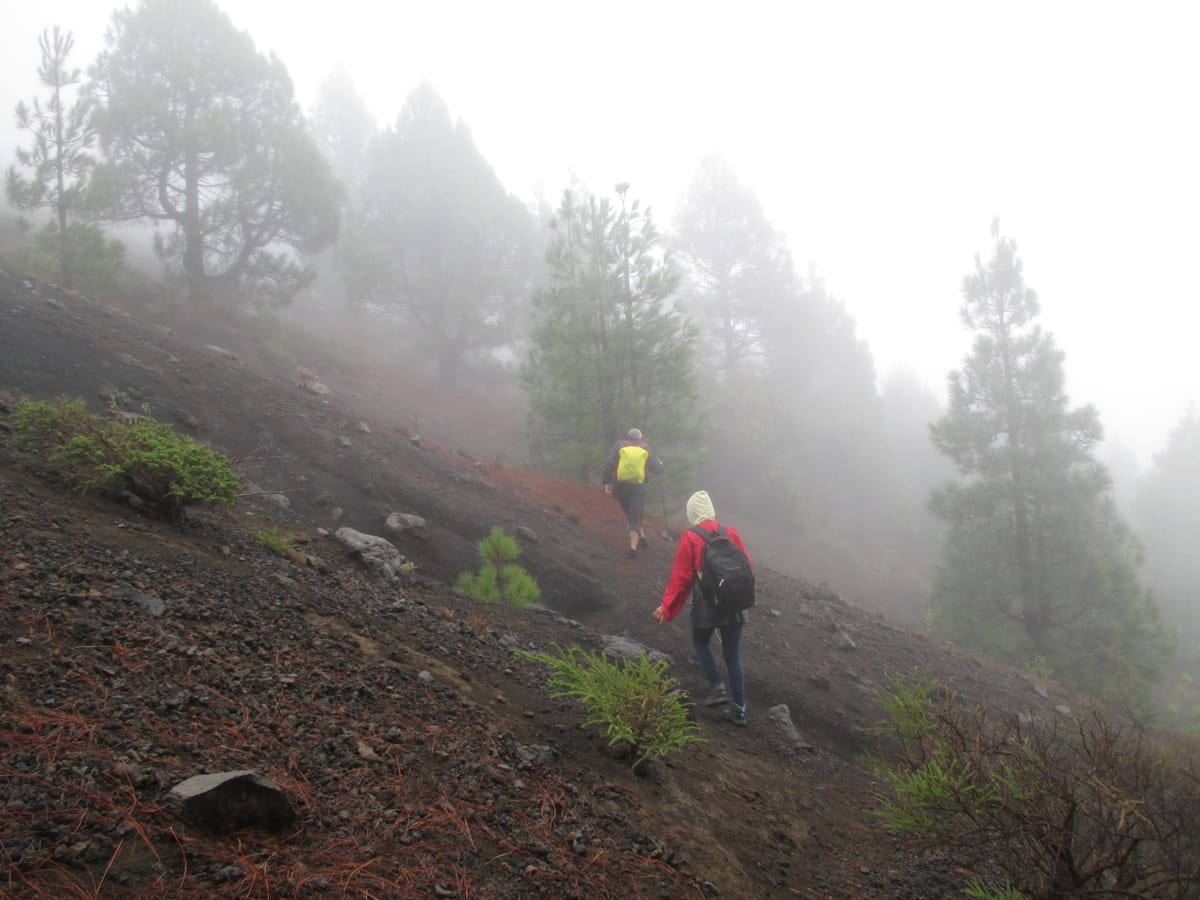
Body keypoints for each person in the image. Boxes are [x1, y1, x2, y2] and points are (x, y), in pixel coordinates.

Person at [652, 490, 751, 726]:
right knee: (733, 656)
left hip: (708, 602)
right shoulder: (730, 531)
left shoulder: (691, 536)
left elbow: (682, 577)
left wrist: (666, 608)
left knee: (700, 642)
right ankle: (740, 712)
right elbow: (746, 563)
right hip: (735, 601)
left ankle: (717, 688)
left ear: (692, 512)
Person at [602, 427, 663, 559]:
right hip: (638, 486)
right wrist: (660, 465)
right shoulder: (645, 447)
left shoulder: (619, 445)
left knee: (630, 513)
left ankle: (640, 538)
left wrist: (607, 482)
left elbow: (609, 463)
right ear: (640, 438)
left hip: (620, 485)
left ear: (628, 437)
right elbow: (656, 468)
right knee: (635, 514)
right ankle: (633, 548)